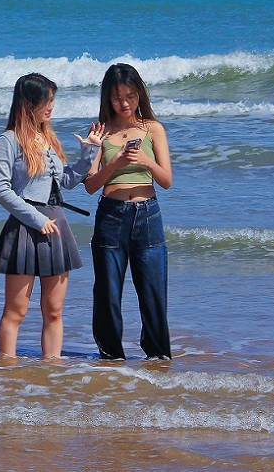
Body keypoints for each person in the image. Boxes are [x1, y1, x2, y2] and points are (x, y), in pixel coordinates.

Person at [0, 73, 105, 359]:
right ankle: (6, 372)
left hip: (56, 223)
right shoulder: (9, 140)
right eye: (46, 100)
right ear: (28, 103)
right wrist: (37, 220)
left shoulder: (48, 138)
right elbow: (1, 189)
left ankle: (52, 373)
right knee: (16, 311)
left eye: (53, 100)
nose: (51, 106)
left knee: (54, 311)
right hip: (26, 226)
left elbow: (66, 181)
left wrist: (89, 153)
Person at [83, 63, 173, 360]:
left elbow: (166, 181)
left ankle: (158, 360)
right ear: (107, 98)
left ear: (140, 95)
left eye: (130, 96)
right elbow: (91, 185)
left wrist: (146, 161)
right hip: (111, 215)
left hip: (147, 215)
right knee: (108, 293)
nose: (124, 104)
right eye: (117, 98)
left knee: (153, 294)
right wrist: (115, 163)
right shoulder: (100, 131)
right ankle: (111, 360)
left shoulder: (152, 129)